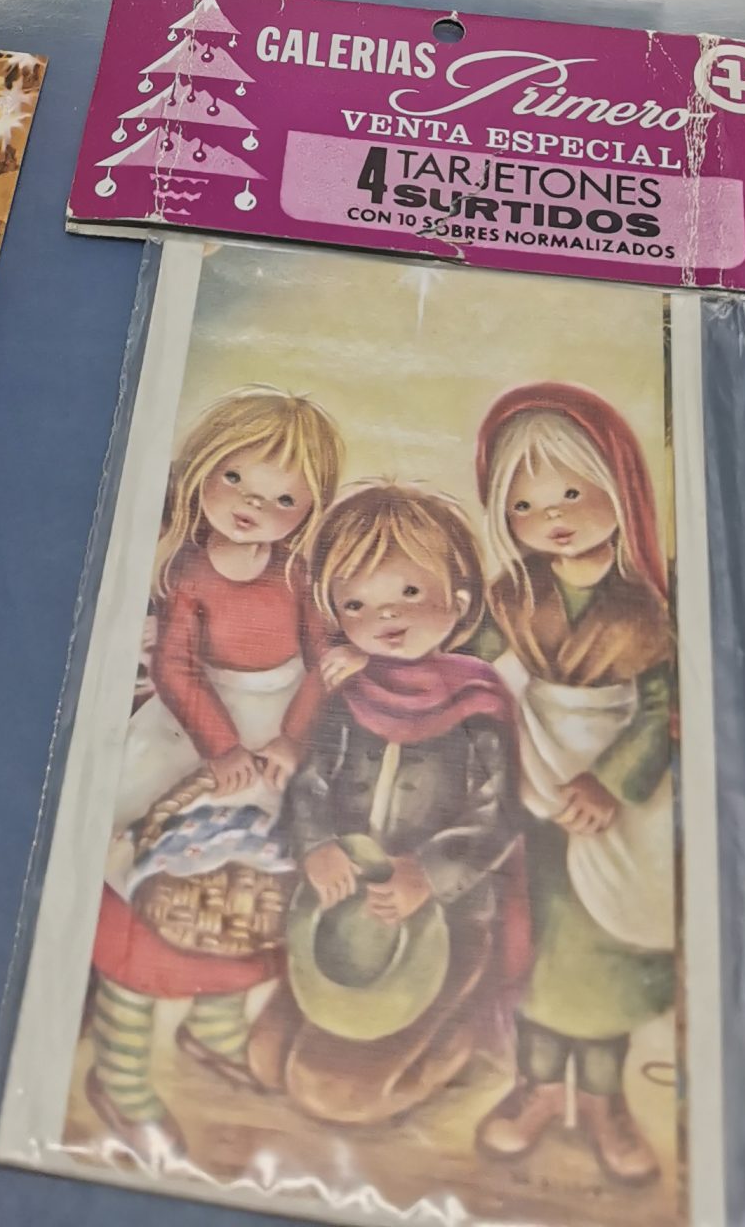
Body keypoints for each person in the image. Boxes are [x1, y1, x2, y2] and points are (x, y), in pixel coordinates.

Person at [81, 389, 344, 1163]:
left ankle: (216, 1030)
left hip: (277, 739)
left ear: (311, 508)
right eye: (236, 480)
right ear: (202, 470)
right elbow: (175, 668)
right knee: (151, 897)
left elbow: (322, 664)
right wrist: (222, 748)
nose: (253, 507)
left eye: (283, 498)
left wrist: (293, 740)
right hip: (191, 737)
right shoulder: (189, 573)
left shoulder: (299, 574)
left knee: (252, 901)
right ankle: (119, 1076)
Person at [247, 483, 525, 1126]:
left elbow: (498, 813)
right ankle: (343, 1027)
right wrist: (316, 845)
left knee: (332, 1093)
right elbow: (311, 783)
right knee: (264, 1057)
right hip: (345, 916)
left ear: (458, 603)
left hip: (444, 922)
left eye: (409, 592)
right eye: (357, 603)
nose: (386, 615)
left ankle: (453, 1039)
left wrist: (427, 874)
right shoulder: (349, 696)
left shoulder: (476, 703)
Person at [470, 386, 675, 1188]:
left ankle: (602, 1100)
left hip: (613, 810)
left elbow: (660, 710)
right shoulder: (514, 596)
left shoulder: (646, 605)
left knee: (605, 959)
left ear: (616, 486)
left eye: (570, 492)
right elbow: (466, 658)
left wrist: (611, 783)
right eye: (524, 504)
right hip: (533, 791)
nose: (550, 516)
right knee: (537, 948)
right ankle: (534, 1086)